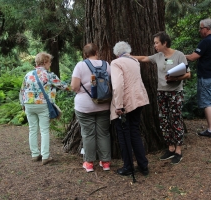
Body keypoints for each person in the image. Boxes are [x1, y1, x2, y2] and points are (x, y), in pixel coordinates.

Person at [133, 31, 191, 165]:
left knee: (176, 119)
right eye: (154, 43)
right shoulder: (158, 56)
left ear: (164, 43)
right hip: (161, 93)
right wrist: (128, 57)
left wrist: (175, 78)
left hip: (175, 93)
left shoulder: (179, 55)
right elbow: (143, 58)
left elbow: (188, 74)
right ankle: (170, 148)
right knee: (164, 120)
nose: (155, 45)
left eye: (157, 43)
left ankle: (178, 150)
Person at [19, 52, 70, 165]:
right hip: (42, 105)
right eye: (50, 62)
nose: (50, 64)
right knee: (44, 130)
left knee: (32, 129)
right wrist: (74, 87)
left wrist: (22, 104)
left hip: (28, 104)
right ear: (45, 62)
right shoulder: (49, 75)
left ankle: (35, 154)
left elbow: (22, 91)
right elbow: (64, 86)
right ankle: (45, 156)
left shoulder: (28, 75)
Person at [111, 41, 149, 176]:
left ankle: (128, 166)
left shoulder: (116, 63)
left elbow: (118, 85)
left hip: (126, 103)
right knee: (134, 132)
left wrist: (119, 105)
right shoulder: (134, 61)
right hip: (139, 99)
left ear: (116, 53)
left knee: (123, 134)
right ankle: (143, 165)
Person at [71, 43, 111, 172]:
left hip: (85, 106)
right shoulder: (106, 65)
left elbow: (74, 86)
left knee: (88, 134)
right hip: (104, 104)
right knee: (103, 133)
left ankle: (89, 163)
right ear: (97, 52)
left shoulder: (80, 65)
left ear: (84, 54)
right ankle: (105, 163)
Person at [185, 18, 211, 138]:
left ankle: (210, 129)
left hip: (206, 76)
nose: (199, 31)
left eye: (201, 28)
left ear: (206, 29)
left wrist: (180, 55)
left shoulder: (206, 42)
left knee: (207, 103)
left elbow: (192, 57)